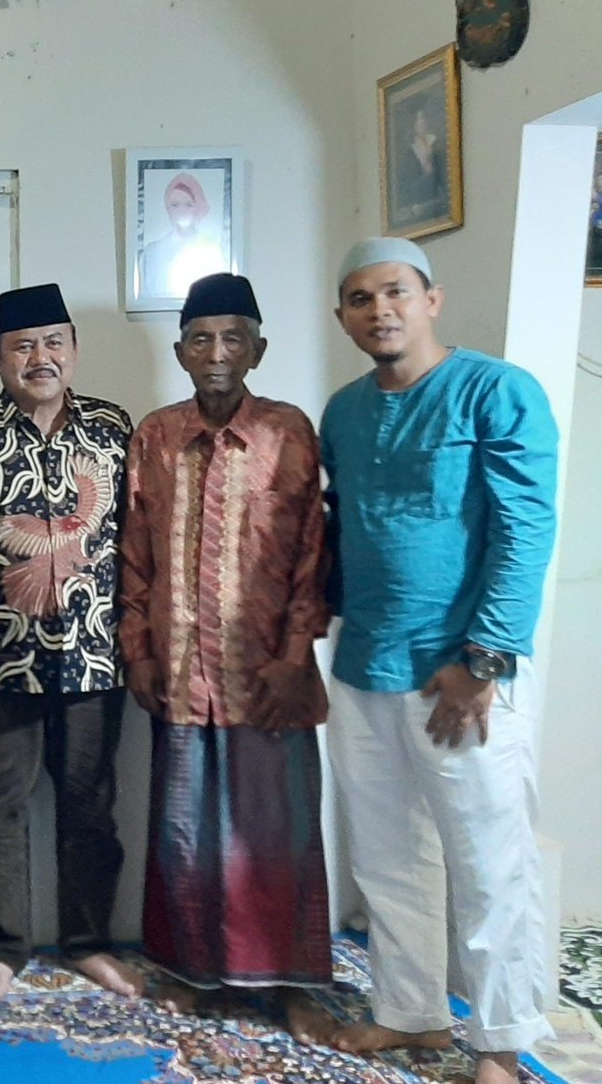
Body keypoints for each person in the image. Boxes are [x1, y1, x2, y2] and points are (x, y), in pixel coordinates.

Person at [321, 237, 558, 1084]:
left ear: (432, 299)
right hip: (364, 663)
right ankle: (409, 1012)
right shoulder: (343, 411)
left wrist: (483, 661)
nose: (379, 310)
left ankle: (501, 1043)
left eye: (395, 292)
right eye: (360, 298)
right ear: (343, 317)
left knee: (490, 862)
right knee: (386, 856)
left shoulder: (497, 391)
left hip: (462, 674)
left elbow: (526, 530)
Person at [120, 273, 334, 1040]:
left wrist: (295, 654)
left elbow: (313, 552)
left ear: (258, 350)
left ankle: (291, 982)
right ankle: (197, 974)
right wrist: (139, 651)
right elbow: (134, 554)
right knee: (186, 832)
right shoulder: (154, 436)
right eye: (202, 339)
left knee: (276, 837)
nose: (217, 353)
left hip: (268, 676)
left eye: (233, 338)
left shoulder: (287, 431)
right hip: (181, 673)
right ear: (181, 351)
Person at [0, 282, 142, 1002]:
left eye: (53, 343)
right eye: (22, 346)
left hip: (94, 656)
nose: (39, 358)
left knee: (91, 810)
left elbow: (139, 542)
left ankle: (88, 943)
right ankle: (4, 945)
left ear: (74, 350)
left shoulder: (113, 428)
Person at [142, 173, 227, 300]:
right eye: (175, 205)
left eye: (188, 204)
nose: (182, 210)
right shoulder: (153, 251)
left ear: (198, 207)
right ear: (168, 208)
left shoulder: (214, 250)